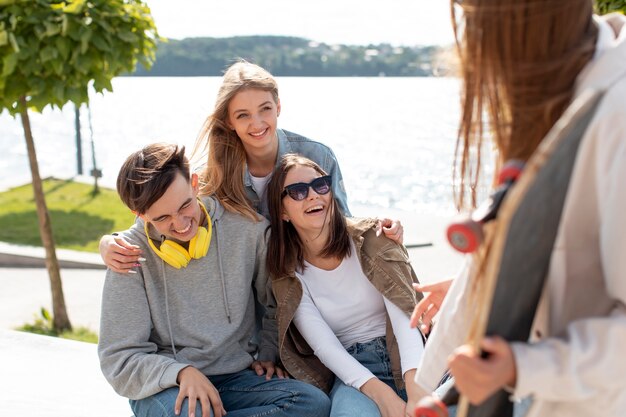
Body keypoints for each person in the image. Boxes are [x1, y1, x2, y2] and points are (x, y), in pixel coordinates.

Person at [412, 1, 626, 416]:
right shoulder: (561, 84)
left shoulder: (618, 115)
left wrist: (523, 368)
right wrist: (482, 281)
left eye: (474, 14)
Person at [100, 60, 403, 273]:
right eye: (243, 115)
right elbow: (166, 208)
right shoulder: (213, 173)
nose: (257, 123)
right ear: (229, 121)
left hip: (311, 280)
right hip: (254, 299)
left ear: (278, 107)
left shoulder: (317, 156)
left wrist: (381, 228)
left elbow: (342, 223)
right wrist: (111, 242)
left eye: (265, 109)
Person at [97, 143, 331, 417]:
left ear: (194, 184)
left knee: (312, 404)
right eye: (162, 217)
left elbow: (276, 303)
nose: (181, 223)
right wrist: (181, 372)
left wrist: (267, 351)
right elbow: (119, 359)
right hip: (167, 386)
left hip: (235, 379)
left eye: (185, 205)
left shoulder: (249, 231)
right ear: (139, 214)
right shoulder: (126, 255)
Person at [266, 154, 426, 417]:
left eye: (320, 185)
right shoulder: (288, 274)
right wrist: (382, 395)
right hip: (355, 371)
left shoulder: (373, 239)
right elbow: (325, 347)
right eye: (297, 191)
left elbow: (405, 313)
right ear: (282, 211)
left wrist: (416, 385)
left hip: (410, 355)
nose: (313, 196)